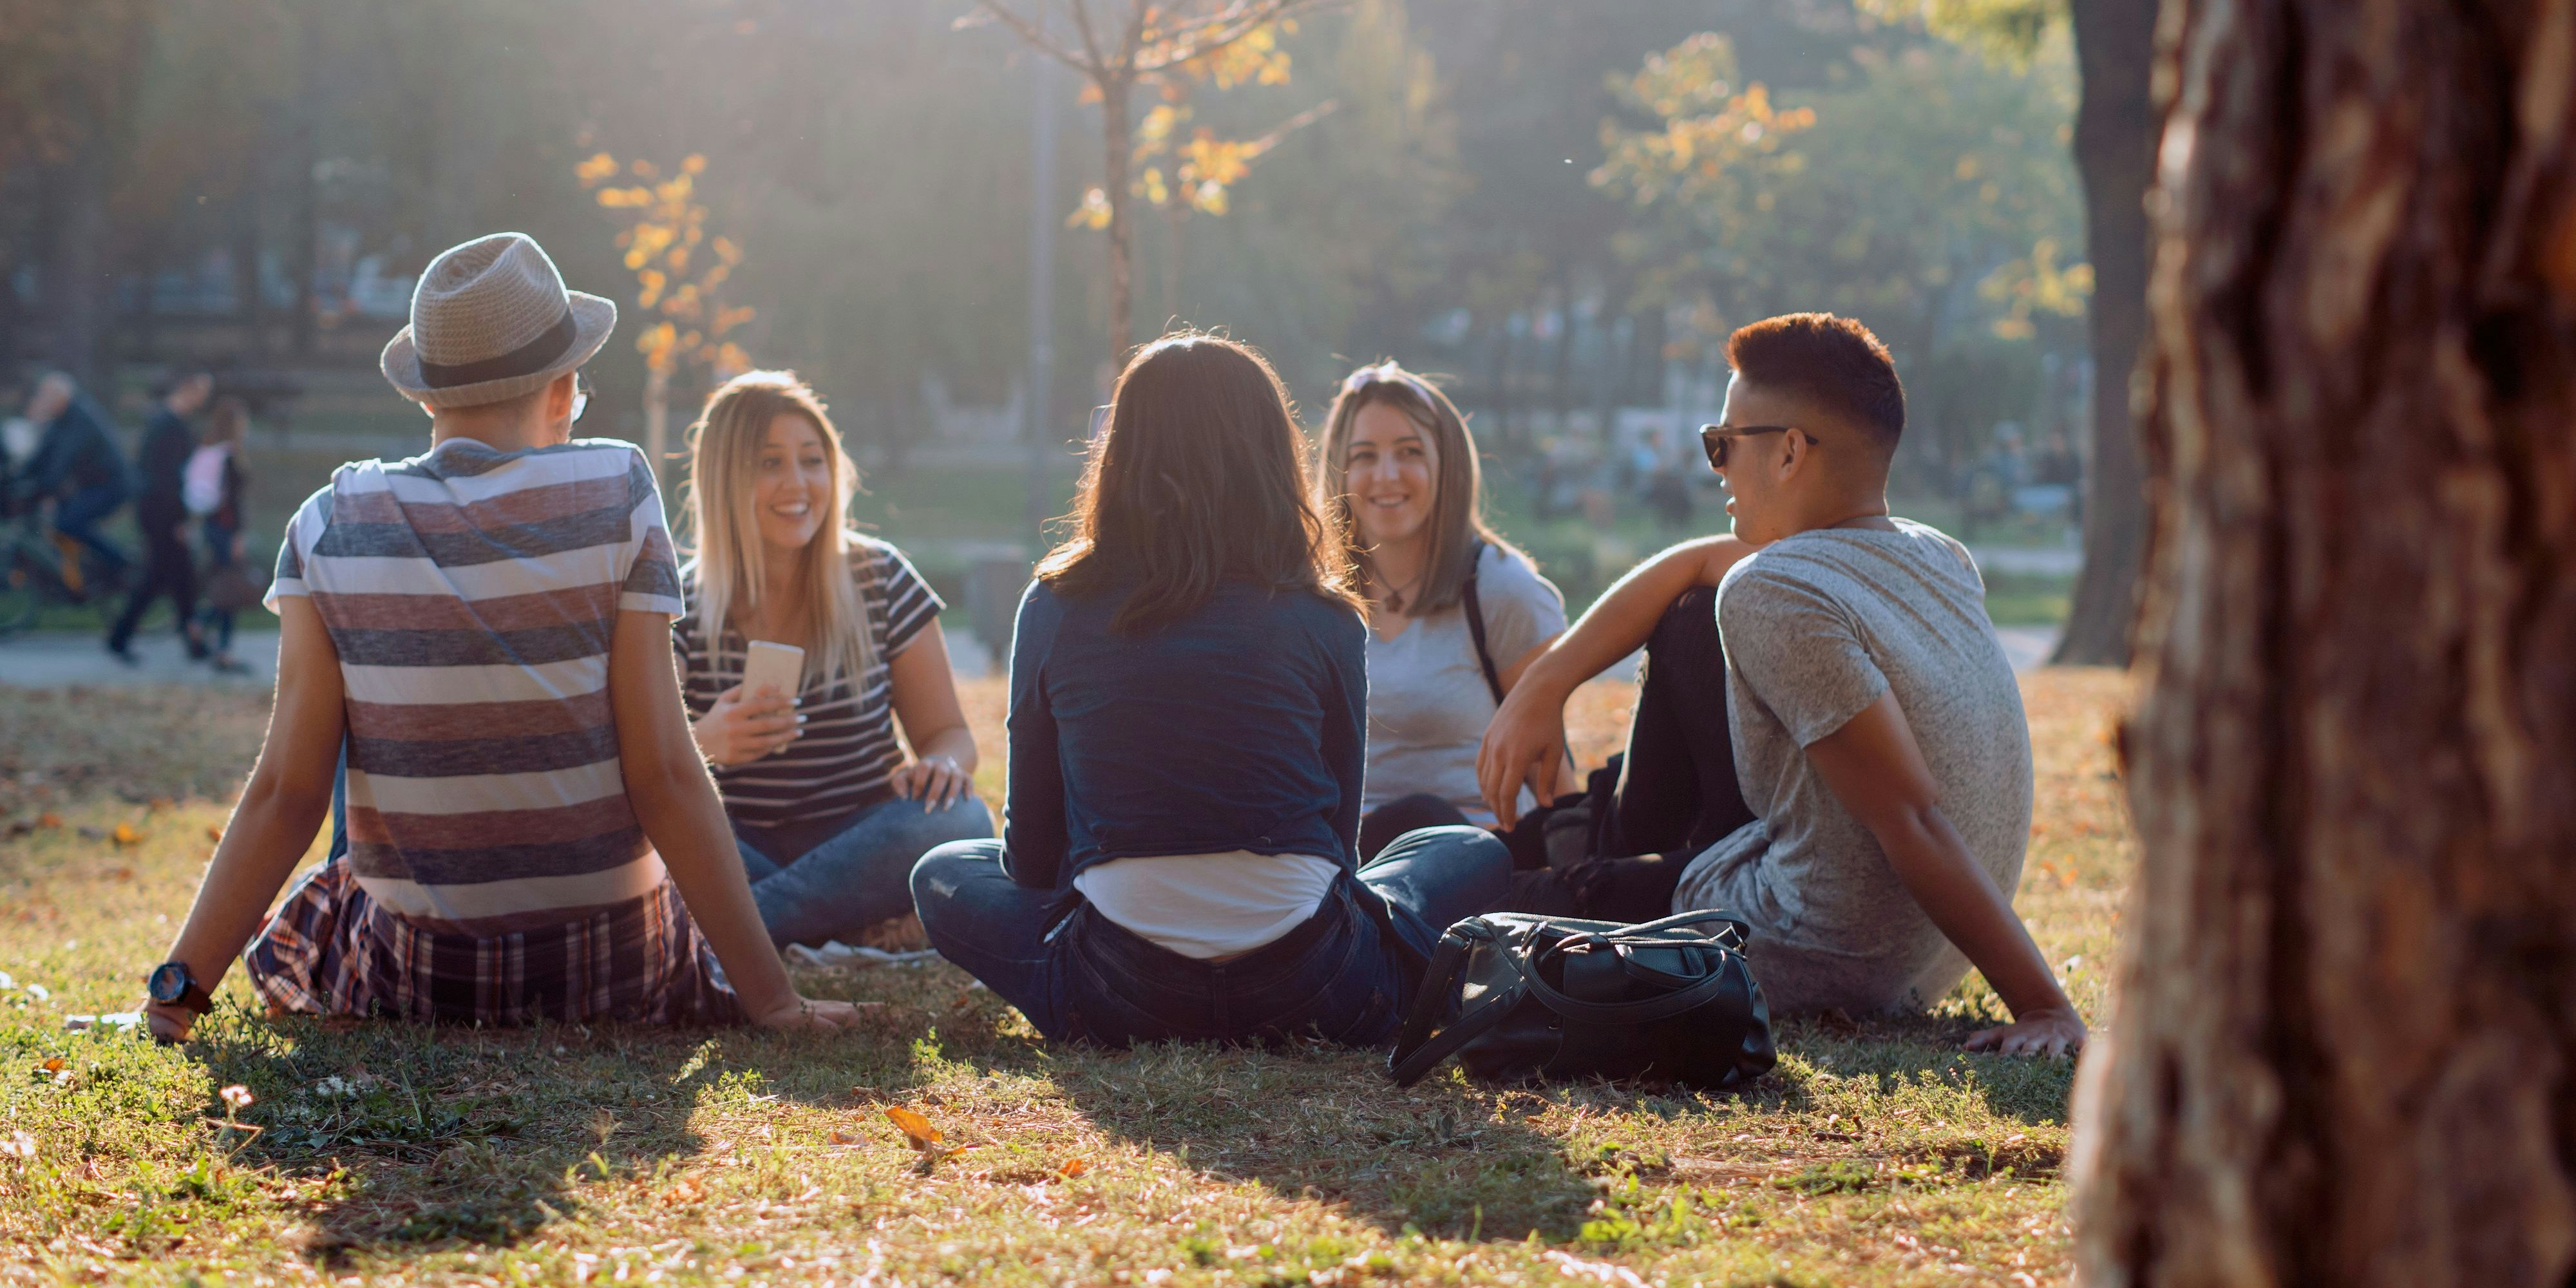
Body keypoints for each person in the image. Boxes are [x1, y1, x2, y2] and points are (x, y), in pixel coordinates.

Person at [138, 232, 860, 1041]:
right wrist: (774, 1002)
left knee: (356, 746)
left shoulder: (330, 518)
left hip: (421, 977)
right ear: (564, 387)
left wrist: (174, 997)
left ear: (425, 398)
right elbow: (663, 768)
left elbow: (287, 792)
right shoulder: (616, 487)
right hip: (611, 965)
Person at [1479, 312, 2083, 1057]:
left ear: (1790, 451)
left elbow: (1912, 816)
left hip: (1817, 946)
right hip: (1922, 957)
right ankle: (1582, 841)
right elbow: (1694, 564)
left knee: (1467, 897)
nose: (1717, 466)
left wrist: (2044, 1005)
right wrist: (1546, 681)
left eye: (1722, 445)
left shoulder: (1774, 592)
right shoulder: (1935, 553)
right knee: (1693, 612)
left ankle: (1579, 859)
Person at [911, 332, 1513, 1048]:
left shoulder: (1054, 604)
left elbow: (1033, 859)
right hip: (1316, 982)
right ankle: (1396, 974)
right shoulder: (1323, 613)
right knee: (1467, 850)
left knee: (943, 872)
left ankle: (1074, 992)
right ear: (1270, 455)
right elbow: (1338, 848)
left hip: (1120, 991)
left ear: (1123, 452)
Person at [675, 370, 991, 948]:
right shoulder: (678, 605)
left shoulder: (882, 577)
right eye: (769, 463)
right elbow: (652, 774)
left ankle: (736, 931)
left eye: (811, 460)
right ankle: (843, 924)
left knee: (962, 820)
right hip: (739, 843)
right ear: (724, 478)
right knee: (655, 836)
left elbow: (949, 734)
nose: (797, 483)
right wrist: (705, 743)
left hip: (864, 838)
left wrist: (944, 765)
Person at [1309, 361, 1566, 860]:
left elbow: (1553, 784)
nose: (1386, 475)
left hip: (1478, 866)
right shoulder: (1316, 599)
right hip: (1348, 867)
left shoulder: (1501, 588)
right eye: (1365, 456)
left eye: (1409, 452)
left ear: (1445, 463)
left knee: (1420, 818)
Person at [108, 371, 214, 663]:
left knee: (180, 578)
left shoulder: (168, 423)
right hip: (162, 514)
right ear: (187, 388)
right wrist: (180, 519)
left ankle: (193, 642)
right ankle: (120, 637)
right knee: (161, 577)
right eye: (202, 390)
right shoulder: (169, 426)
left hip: (159, 511)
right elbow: (166, 479)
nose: (205, 397)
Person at [14, 372, 131, 594]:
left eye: (46, 396)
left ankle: (118, 563)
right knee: (60, 523)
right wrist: (19, 476)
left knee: (70, 523)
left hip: (112, 484)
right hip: (92, 485)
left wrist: (41, 487)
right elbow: (43, 454)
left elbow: (63, 461)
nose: (43, 401)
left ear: (61, 397)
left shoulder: (79, 417)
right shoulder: (62, 419)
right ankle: (73, 583)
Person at [187, 397, 254, 674]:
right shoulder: (229, 458)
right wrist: (238, 536)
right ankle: (208, 631)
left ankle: (205, 629)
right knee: (230, 590)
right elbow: (233, 504)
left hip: (210, 528)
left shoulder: (208, 451)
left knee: (223, 587)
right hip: (226, 531)